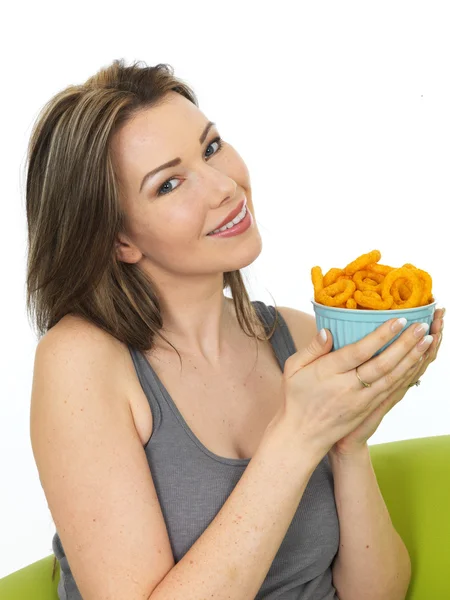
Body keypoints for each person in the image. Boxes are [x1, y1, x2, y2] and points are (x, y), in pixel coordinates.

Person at [27, 59, 444, 600]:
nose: (224, 186)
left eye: (211, 147)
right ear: (119, 240)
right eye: (169, 183)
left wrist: (348, 441)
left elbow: (378, 594)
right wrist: (299, 435)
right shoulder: (81, 362)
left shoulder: (297, 341)